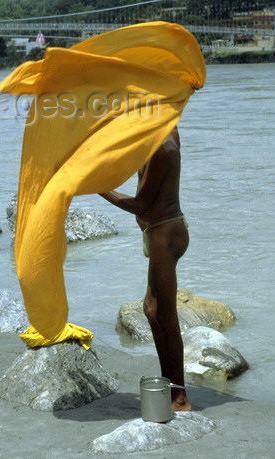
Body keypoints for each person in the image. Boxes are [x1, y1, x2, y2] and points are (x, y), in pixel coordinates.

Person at [99, 126, 191, 411]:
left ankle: (180, 397)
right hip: (158, 231)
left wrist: (95, 187)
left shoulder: (163, 148)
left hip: (166, 235)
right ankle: (169, 384)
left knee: (166, 315)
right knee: (152, 310)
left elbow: (140, 204)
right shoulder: (157, 133)